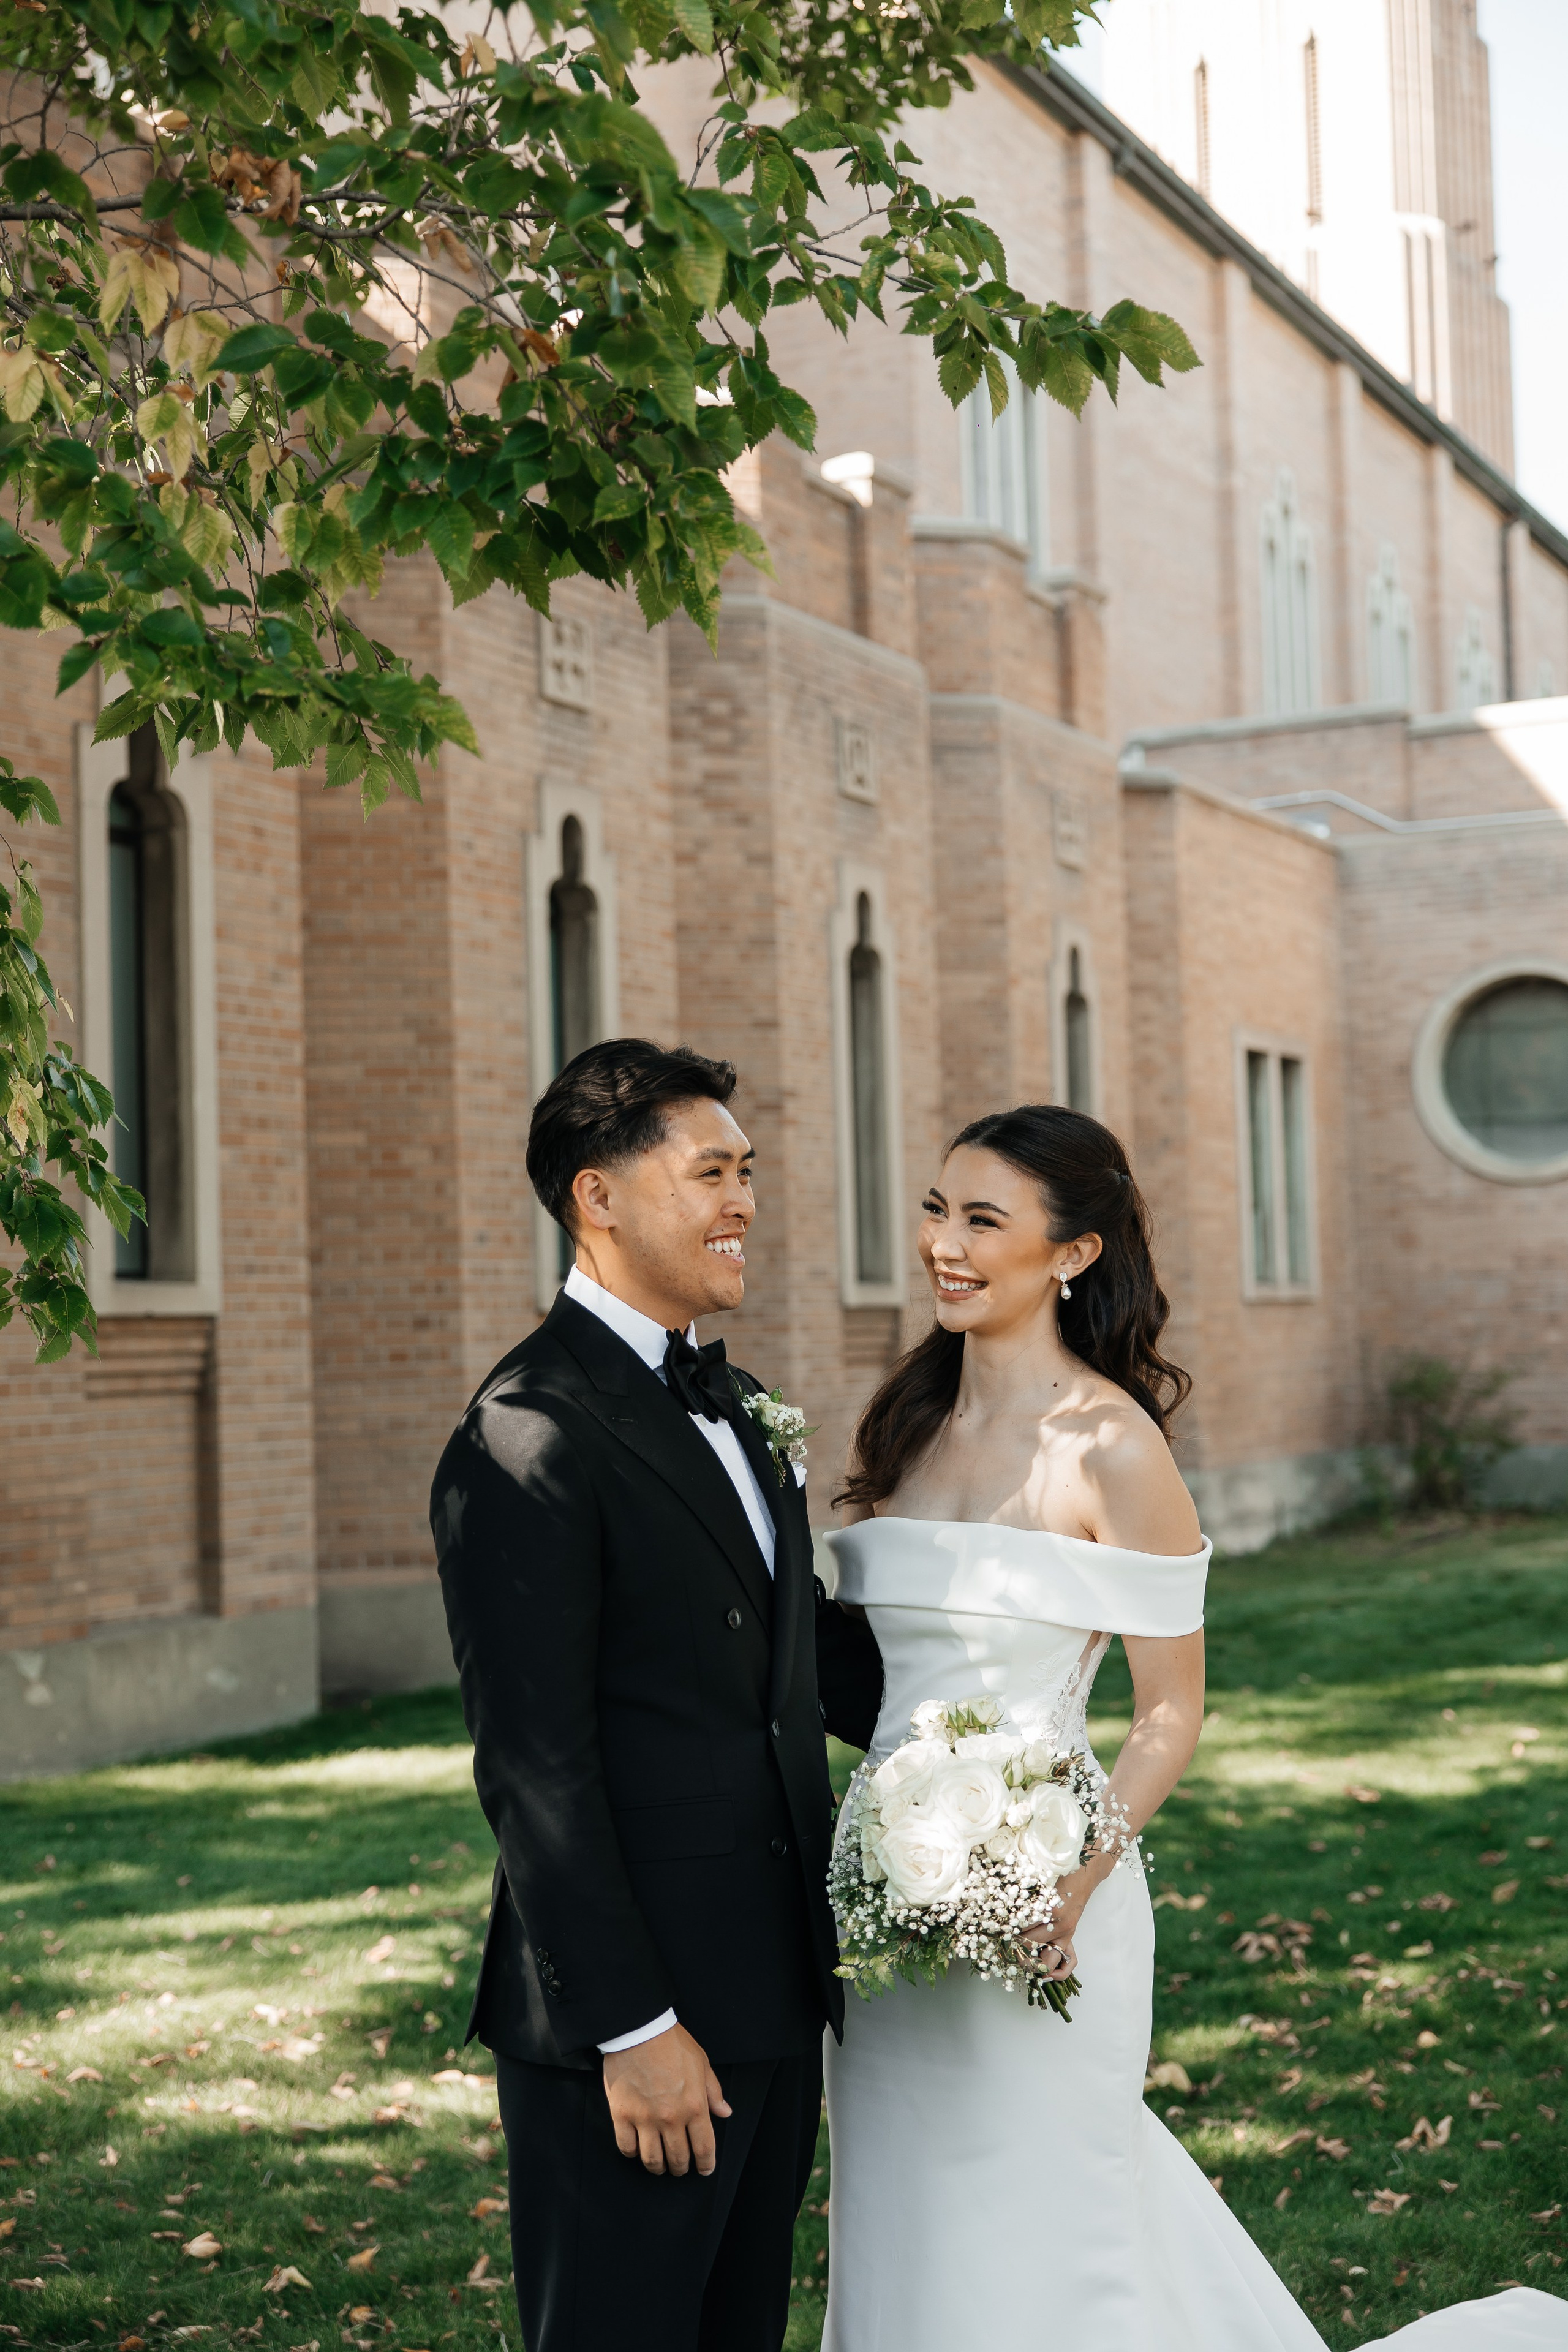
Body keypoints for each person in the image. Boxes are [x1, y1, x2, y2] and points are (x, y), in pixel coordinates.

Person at [821, 1103, 1568, 2352]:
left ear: (1071, 1254)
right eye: (936, 1211)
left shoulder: (1111, 1448)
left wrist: (1062, 1882)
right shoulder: (902, 1426)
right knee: (903, 2207)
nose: (944, 1245)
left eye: (983, 1220)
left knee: (1052, 2207)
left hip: (1048, 1890)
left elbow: (1170, 1712)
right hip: (880, 1908)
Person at [430, 1038, 882, 2352]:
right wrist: (632, 2027)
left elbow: (802, 1669)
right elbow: (534, 1767)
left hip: (774, 1996)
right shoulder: (525, 1435)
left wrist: (1005, 1690)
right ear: (599, 1197)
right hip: (635, 2027)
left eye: (746, 1171)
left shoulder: (737, 1401)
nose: (741, 1200)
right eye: (709, 1173)